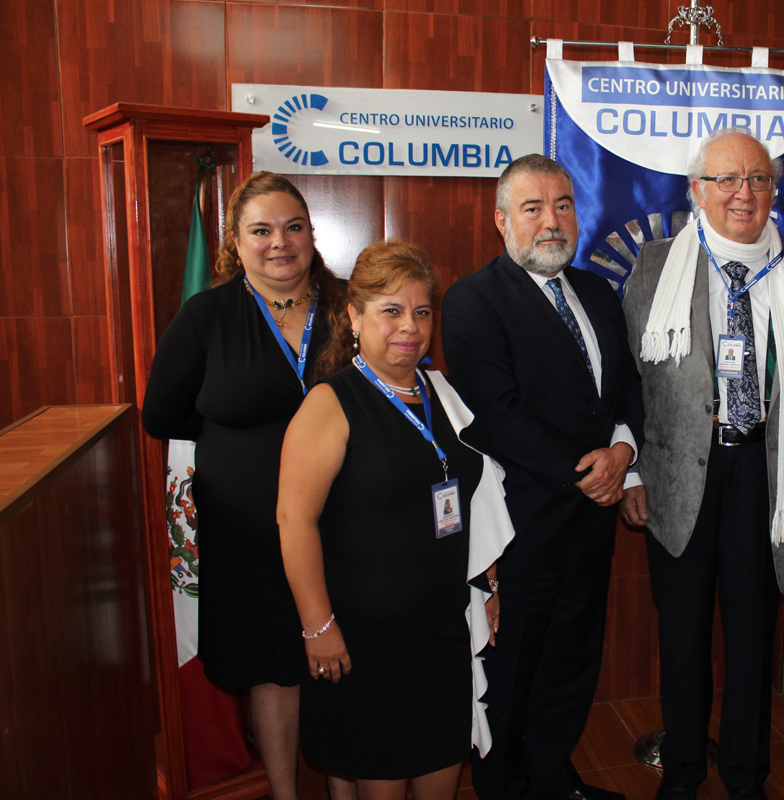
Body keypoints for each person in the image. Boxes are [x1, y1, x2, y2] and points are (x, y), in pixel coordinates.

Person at [620, 128, 784, 800]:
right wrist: (631, 471)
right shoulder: (656, 269)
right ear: (696, 191)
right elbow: (629, 380)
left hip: (766, 480)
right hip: (679, 478)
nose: (742, 194)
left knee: (752, 642)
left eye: (756, 179)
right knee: (683, 639)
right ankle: (683, 772)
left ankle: (747, 777)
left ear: (773, 191)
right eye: (725, 179)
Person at [275, 239, 513, 800]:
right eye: (391, 311)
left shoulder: (439, 392)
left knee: (440, 773)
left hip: (441, 631)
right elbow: (294, 520)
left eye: (422, 312)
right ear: (354, 316)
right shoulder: (330, 405)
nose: (410, 327)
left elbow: (474, 497)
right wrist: (318, 626)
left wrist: (489, 582)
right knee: (378, 781)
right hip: (364, 641)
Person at [142, 172, 352, 800]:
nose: (279, 243)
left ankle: (347, 792)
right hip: (247, 531)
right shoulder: (207, 314)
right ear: (235, 241)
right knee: (272, 670)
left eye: (293, 227)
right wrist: (240, 447)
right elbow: (162, 414)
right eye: (261, 230)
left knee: (342, 660)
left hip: (344, 522)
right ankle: (285, 795)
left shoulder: (351, 304)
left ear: (312, 234)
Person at [440, 154, 645, 800]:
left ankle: (556, 781)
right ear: (502, 221)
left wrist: (624, 451)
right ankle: (504, 790)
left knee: (570, 668)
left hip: (592, 523)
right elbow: (498, 416)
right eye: (532, 208)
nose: (550, 221)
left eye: (562, 206)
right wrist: (586, 472)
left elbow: (627, 389)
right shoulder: (474, 299)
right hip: (521, 530)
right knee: (512, 674)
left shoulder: (595, 293)